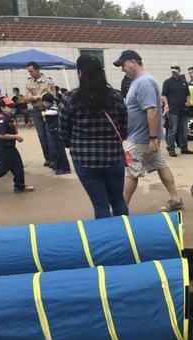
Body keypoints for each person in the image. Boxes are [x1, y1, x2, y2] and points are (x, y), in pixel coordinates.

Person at [113, 50, 183, 212]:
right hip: (145, 137)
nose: (122, 69)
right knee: (160, 165)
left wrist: (153, 137)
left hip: (141, 139)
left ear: (133, 62)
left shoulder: (143, 82)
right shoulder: (140, 81)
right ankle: (175, 198)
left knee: (131, 172)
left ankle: (121, 209)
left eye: (123, 65)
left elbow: (151, 110)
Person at [59, 55, 128, 219]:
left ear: (80, 73)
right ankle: (125, 236)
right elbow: (124, 128)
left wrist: (74, 145)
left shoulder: (69, 98)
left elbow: (63, 130)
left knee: (100, 204)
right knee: (118, 200)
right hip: (113, 156)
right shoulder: (116, 97)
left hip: (84, 159)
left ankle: (107, 241)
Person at [0, 97, 34, 193]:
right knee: (2, 169)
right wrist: (16, 137)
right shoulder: (2, 120)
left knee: (18, 165)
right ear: (2, 108)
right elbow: (1, 135)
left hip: (10, 147)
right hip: (4, 148)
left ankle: (19, 186)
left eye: (13, 106)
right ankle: (19, 186)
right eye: (10, 107)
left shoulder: (9, 118)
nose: (12, 108)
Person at [24, 61, 56, 167]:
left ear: (38, 70)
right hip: (35, 110)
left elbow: (50, 97)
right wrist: (39, 96)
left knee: (49, 135)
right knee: (42, 136)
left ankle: (53, 159)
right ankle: (47, 158)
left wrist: (33, 97)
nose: (30, 73)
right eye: (29, 71)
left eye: (31, 71)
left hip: (48, 111)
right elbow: (25, 98)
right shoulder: (29, 82)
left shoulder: (48, 81)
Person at [162, 65, 193, 157]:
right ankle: (171, 149)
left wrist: (188, 101)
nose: (174, 73)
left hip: (183, 109)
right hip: (173, 110)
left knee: (184, 130)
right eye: (173, 72)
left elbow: (188, 94)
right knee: (173, 130)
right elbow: (164, 95)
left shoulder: (184, 82)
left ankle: (184, 148)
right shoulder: (167, 82)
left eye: (176, 71)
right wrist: (166, 104)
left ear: (179, 71)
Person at [41, 92, 71, 175]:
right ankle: (58, 166)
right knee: (56, 150)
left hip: (57, 131)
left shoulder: (53, 108)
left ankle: (65, 168)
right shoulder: (49, 108)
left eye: (43, 102)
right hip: (53, 131)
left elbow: (55, 112)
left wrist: (45, 113)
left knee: (60, 150)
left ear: (46, 102)